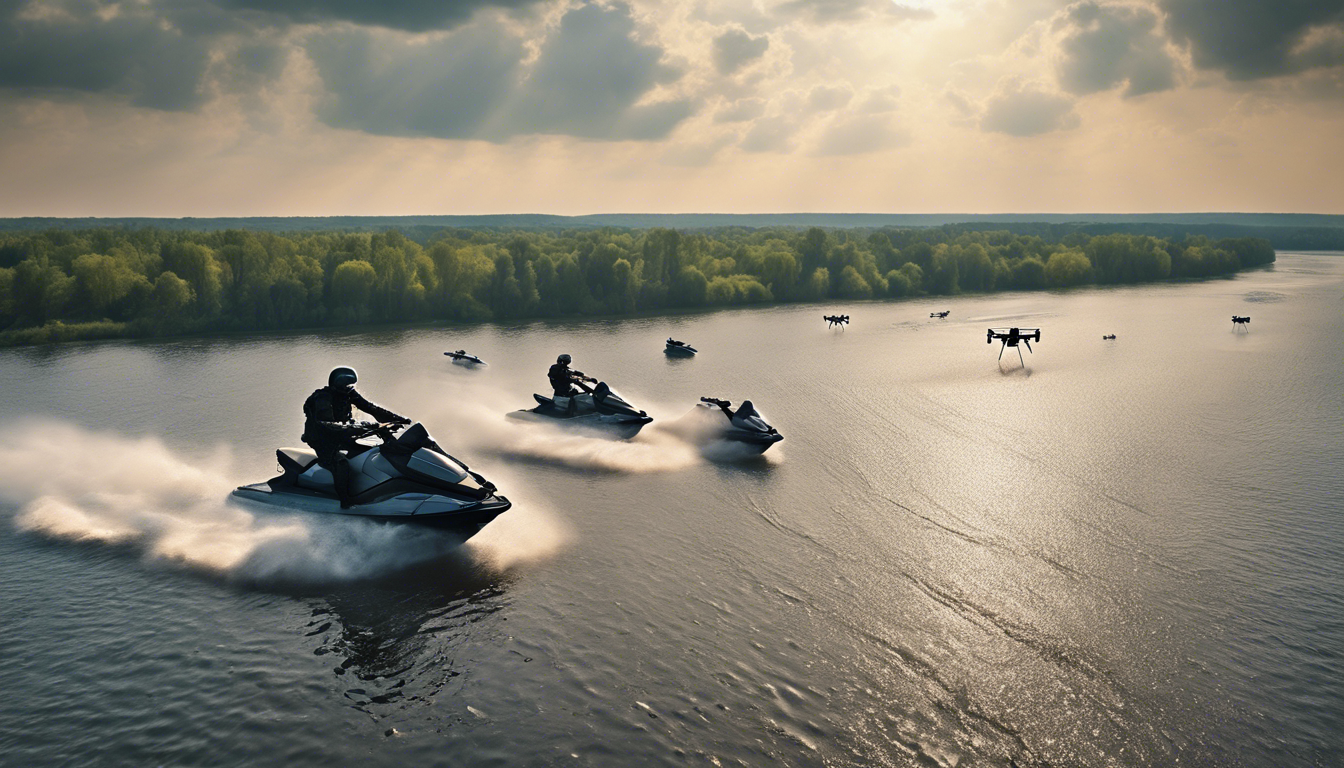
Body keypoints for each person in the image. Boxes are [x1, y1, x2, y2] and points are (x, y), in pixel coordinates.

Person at [302, 366, 409, 508]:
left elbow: (371, 408)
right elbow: (327, 424)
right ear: (338, 384)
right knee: (341, 464)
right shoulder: (323, 398)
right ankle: (345, 502)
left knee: (371, 452)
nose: (349, 388)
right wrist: (366, 426)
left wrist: (400, 419)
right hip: (322, 439)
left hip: (341, 436)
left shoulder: (348, 394)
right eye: (346, 385)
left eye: (351, 385)